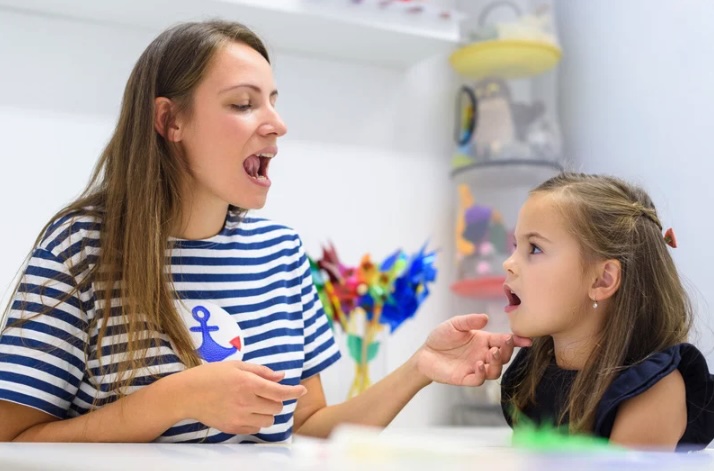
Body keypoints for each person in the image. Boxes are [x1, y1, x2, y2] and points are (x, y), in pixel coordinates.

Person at [0, 20, 530, 443]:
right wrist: (173, 400)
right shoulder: (79, 249)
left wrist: (422, 367)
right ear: (170, 121)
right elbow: (12, 438)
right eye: (243, 103)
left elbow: (311, 428)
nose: (276, 123)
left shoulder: (279, 252)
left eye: (274, 100)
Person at [499, 172, 714, 451]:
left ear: (603, 280)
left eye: (535, 248)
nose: (508, 263)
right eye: (516, 246)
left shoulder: (653, 389)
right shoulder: (533, 372)